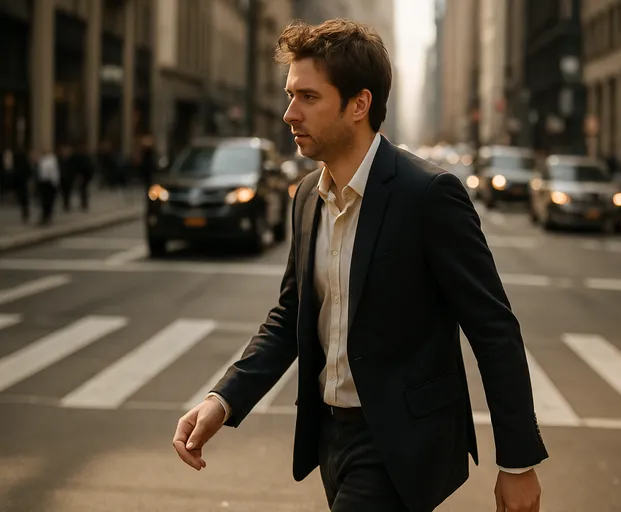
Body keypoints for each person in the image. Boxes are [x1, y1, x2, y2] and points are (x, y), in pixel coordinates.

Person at [173, 19, 548, 512]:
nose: (289, 113)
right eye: (290, 95)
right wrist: (222, 401)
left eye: (308, 97)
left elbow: (493, 327)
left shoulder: (428, 196)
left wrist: (517, 462)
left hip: (401, 441)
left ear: (359, 104)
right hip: (331, 437)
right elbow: (291, 316)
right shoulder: (307, 195)